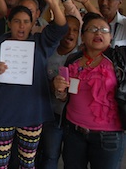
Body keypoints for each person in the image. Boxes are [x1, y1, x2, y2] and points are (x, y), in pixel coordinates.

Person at [0, 0, 67, 169]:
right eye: (17, 21)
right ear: (9, 23)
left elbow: (61, 27)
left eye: (26, 22)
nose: (21, 26)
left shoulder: (40, 43)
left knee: (27, 163)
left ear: (32, 23)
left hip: (32, 113)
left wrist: (53, 2)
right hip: (3, 113)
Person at [54, 12, 126, 169]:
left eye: (104, 30)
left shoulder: (120, 59)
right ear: (83, 36)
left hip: (109, 136)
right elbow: (65, 96)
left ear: (111, 36)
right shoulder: (72, 61)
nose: (98, 33)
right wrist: (59, 91)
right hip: (74, 133)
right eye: (92, 29)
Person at [37, 15, 80, 169]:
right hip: (52, 115)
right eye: (67, 29)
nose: (71, 34)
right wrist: (52, 85)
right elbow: (39, 82)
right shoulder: (47, 53)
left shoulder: (80, 57)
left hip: (74, 119)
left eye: (75, 30)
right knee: (50, 155)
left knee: (73, 159)